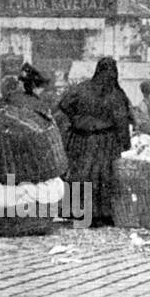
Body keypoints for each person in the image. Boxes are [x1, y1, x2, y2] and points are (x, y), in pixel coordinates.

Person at [55, 57, 134, 229]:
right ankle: (99, 214)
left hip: (80, 138)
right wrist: (125, 143)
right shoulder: (116, 94)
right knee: (102, 176)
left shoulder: (81, 88)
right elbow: (121, 121)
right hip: (105, 141)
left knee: (78, 173)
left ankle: (75, 210)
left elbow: (64, 104)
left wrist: (77, 119)